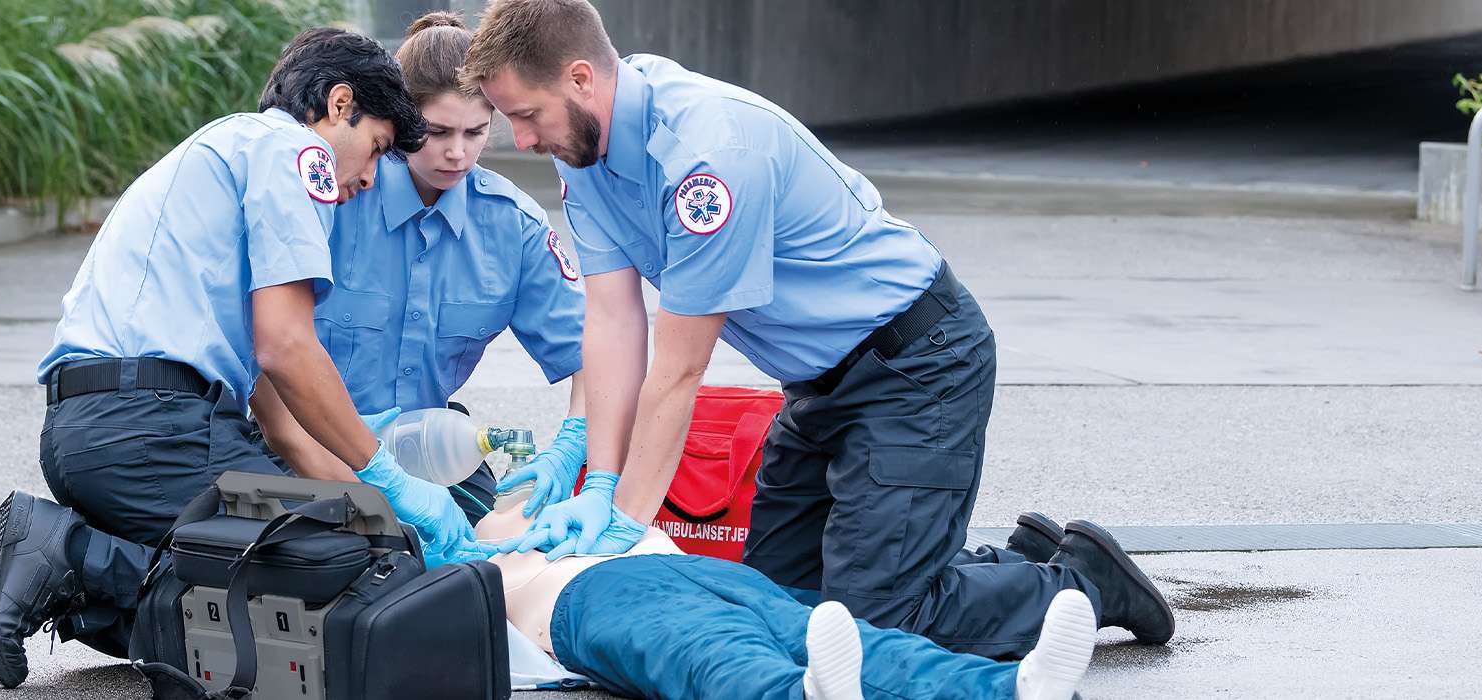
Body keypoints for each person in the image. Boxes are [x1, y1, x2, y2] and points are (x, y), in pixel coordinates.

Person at [459, 0, 1174, 658]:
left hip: (918, 363)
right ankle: (1018, 563)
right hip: (817, 385)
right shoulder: (585, 152)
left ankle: (1087, 581)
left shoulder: (707, 159)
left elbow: (677, 372)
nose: (520, 139)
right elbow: (614, 324)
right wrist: (598, 478)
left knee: (878, 623)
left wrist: (623, 525)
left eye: (526, 115)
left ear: (581, 78)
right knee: (780, 608)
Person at [0, 28, 489, 689]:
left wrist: (380, 512)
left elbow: (282, 425)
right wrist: (389, 480)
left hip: (97, 430)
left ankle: (53, 580)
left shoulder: (231, 150)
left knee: (324, 575)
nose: (372, 177)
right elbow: (288, 347)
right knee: (337, 573)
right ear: (339, 104)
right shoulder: (296, 153)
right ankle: (72, 556)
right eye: (375, 148)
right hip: (153, 428)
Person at [253, 12, 590, 524]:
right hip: (304, 444)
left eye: (475, 132)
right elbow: (265, 354)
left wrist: (571, 445)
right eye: (436, 132)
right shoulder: (334, 194)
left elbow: (593, 355)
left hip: (429, 450)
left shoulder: (513, 227)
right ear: (401, 119)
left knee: (499, 548)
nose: (457, 153)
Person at [476, 508, 1099, 700]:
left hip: (695, 569)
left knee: (854, 641)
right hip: (588, 599)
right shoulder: (458, 546)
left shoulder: (554, 496)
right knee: (709, 651)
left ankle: (1012, 688)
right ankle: (794, 696)